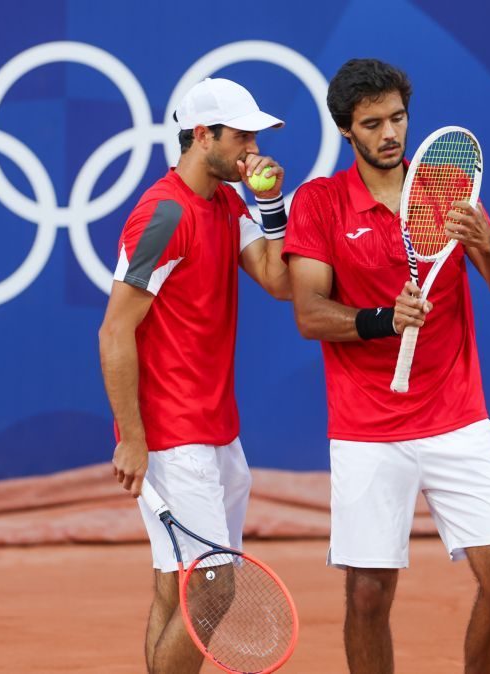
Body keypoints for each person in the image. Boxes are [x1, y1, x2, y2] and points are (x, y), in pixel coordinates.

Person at [284, 58, 490, 673]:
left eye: (397, 118)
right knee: (368, 594)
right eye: (373, 123)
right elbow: (310, 313)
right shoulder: (319, 202)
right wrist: (379, 319)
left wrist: (487, 245)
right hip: (367, 427)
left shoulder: (448, 186)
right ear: (347, 131)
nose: (390, 133)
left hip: (456, 416)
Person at [98, 77, 291, 674]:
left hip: (217, 431)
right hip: (175, 438)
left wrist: (272, 205)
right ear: (202, 135)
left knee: (173, 585)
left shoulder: (229, 203)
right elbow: (114, 331)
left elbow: (280, 281)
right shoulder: (161, 216)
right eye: (241, 135)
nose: (252, 148)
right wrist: (133, 437)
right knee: (214, 588)